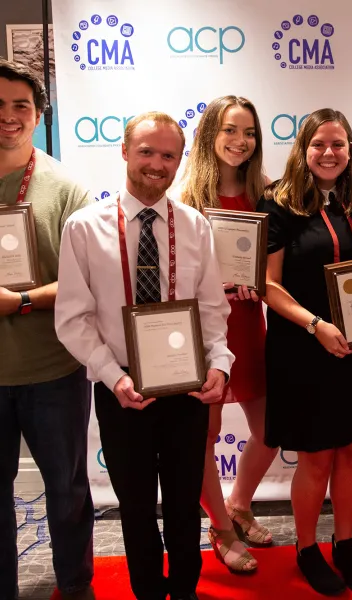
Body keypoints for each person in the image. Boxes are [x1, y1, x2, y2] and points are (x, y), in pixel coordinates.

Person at [55, 111, 234, 600]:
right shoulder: (84, 227)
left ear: (180, 161)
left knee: (182, 503)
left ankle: (185, 590)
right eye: (147, 152)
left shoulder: (195, 225)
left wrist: (219, 364)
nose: (157, 164)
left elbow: (213, 310)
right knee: (135, 506)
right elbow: (73, 318)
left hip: (187, 384)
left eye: (168, 155)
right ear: (125, 152)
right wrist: (114, 378)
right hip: (121, 387)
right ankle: (149, 593)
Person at [257, 108, 352, 596]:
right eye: (318, 145)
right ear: (302, 149)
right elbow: (268, 285)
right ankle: (307, 548)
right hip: (303, 347)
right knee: (316, 457)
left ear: (351, 149)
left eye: (339, 144)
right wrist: (317, 325)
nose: (329, 154)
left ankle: (345, 542)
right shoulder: (278, 204)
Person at [0, 59, 94, 600]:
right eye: (0, 105)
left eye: (22, 106)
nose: (10, 117)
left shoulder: (65, 188)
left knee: (66, 491)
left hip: (53, 372)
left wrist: (20, 302)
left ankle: (77, 587)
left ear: (38, 115)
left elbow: (86, 281)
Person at [179, 96, 275, 574]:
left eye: (250, 132)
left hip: (251, 325)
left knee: (273, 428)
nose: (241, 142)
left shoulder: (268, 196)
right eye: (231, 131)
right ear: (209, 136)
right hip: (204, 331)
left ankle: (239, 503)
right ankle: (218, 526)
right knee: (206, 436)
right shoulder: (185, 201)